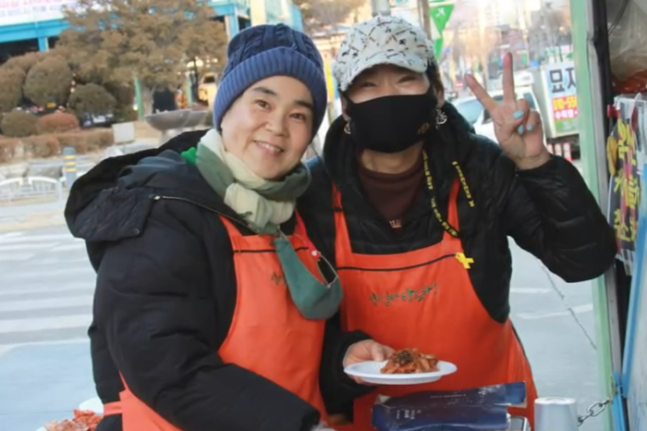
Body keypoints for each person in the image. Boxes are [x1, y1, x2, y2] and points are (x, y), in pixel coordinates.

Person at [297, 15, 617, 430]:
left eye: (405, 78)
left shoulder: (479, 169)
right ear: (346, 104)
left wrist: (534, 163)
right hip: (368, 419)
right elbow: (299, 339)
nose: (387, 95)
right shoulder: (314, 193)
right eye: (368, 84)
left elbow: (583, 262)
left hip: (494, 413)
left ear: (437, 91)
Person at [65, 24, 390, 431]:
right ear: (227, 106)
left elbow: (287, 351)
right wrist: (298, 425)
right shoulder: (162, 208)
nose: (278, 126)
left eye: (299, 114)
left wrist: (344, 358)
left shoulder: (291, 208)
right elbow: (167, 368)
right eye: (263, 103)